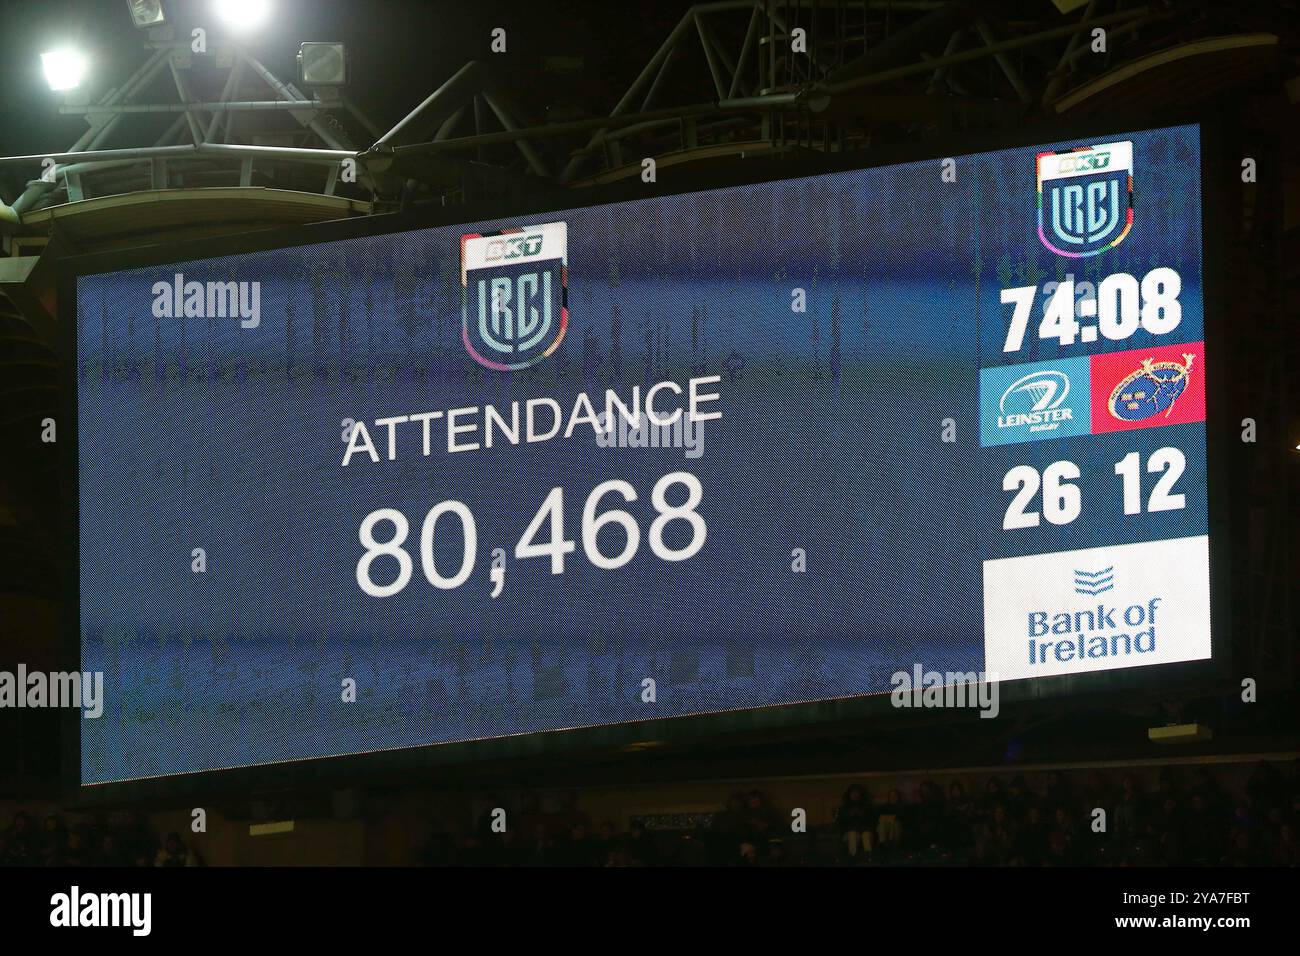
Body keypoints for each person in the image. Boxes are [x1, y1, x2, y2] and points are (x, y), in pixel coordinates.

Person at [836, 784, 874, 862]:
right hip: (849, 833)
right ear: (849, 794)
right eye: (853, 793)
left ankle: (869, 856)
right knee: (853, 834)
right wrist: (850, 815)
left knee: (866, 835)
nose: (855, 795)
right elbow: (840, 823)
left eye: (857, 793)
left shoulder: (867, 807)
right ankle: (853, 857)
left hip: (864, 831)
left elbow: (871, 822)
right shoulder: (843, 808)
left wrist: (861, 815)